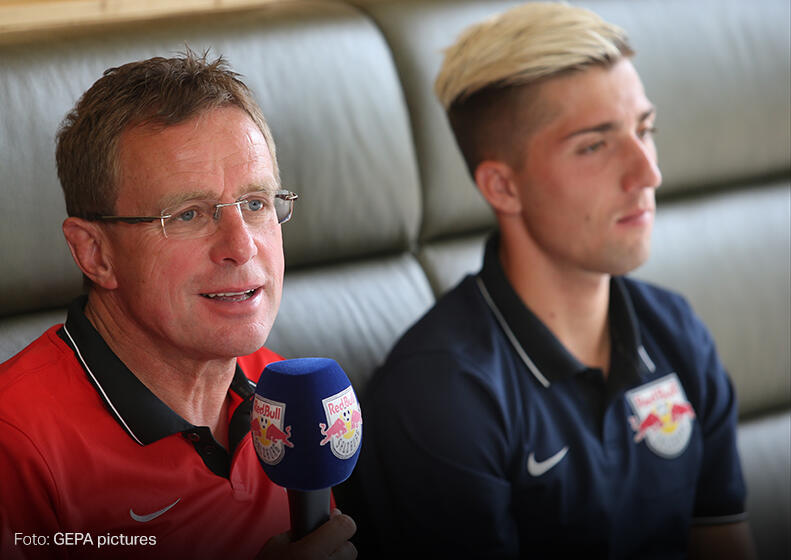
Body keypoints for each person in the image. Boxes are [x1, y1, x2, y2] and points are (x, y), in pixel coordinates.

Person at [356, 3, 755, 559]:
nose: (648, 173)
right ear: (503, 188)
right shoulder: (439, 397)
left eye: (645, 129)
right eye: (594, 145)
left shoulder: (677, 331)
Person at [0, 51, 356, 560]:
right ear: (94, 254)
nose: (241, 245)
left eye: (256, 203)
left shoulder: (286, 396)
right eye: (188, 214)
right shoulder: (14, 444)